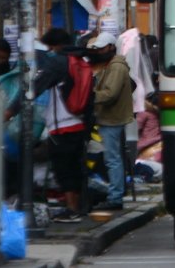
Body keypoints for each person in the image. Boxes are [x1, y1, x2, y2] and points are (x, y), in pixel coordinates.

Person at [16, 28, 89, 223]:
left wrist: (11, 110)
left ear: (56, 46)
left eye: (49, 47)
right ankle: (77, 208)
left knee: (63, 168)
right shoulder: (80, 61)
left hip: (62, 125)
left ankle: (72, 209)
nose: (49, 51)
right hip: (79, 123)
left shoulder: (58, 63)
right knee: (74, 167)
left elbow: (35, 88)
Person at [88, 32, 134, 211]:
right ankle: (115, 194)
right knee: (112, 158)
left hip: (112, 118)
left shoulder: (116, 67)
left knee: (112, 159)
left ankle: (115, 197)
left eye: (101, 48)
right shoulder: (111, 65)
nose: (98, 52)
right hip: (110, 117)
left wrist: (89, 96)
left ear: (110, 48)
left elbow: (110, 93)